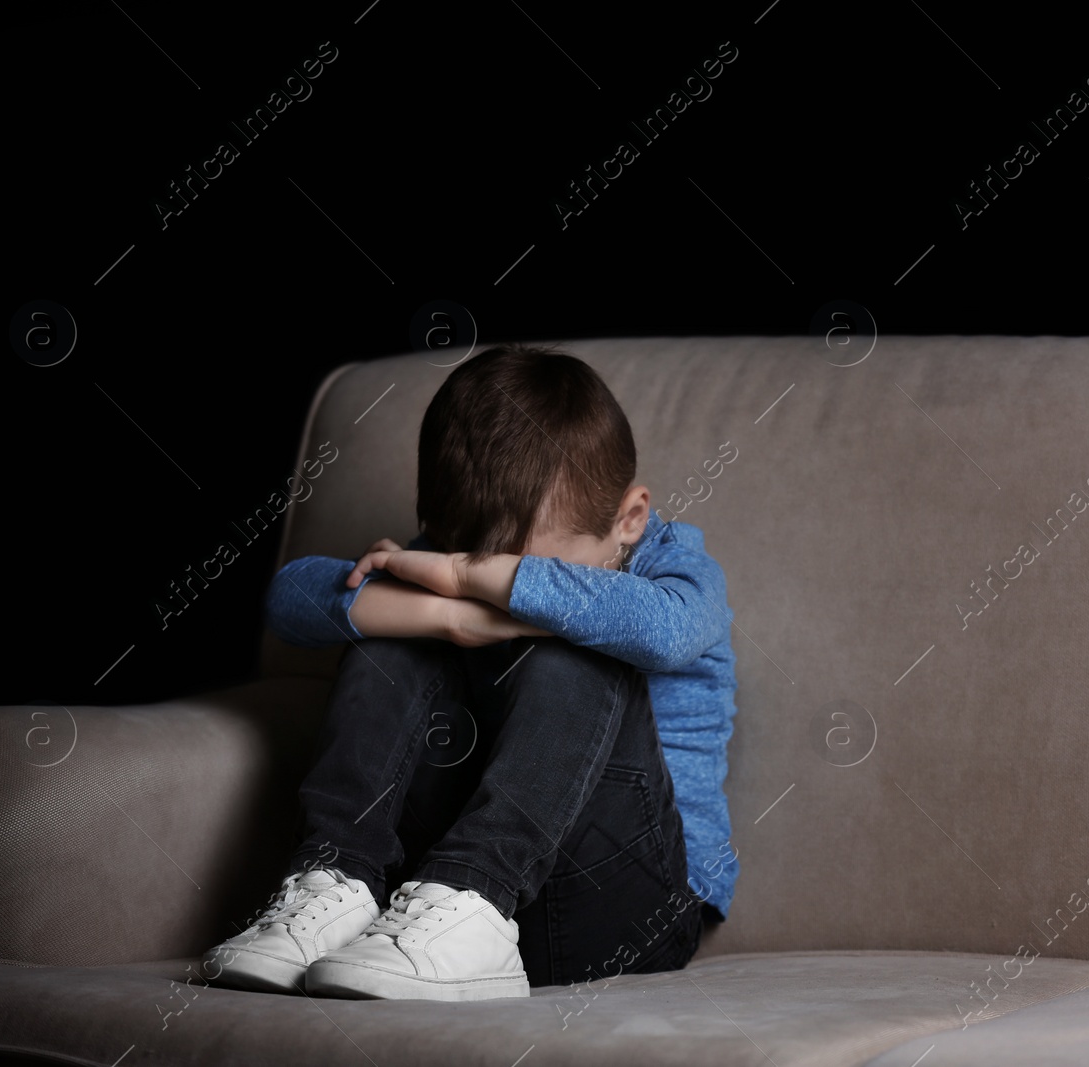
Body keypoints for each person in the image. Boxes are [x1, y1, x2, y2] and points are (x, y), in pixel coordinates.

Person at [203, 343, 739, 1001]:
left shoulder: (670, 566)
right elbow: (290, 597)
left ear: (629, 517)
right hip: (418, 921)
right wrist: (449, 616)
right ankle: (334, 881)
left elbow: (668, 629)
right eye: (472, 559)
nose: (489, 586)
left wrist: (468, 578)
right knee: (394, 633)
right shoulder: (451, 543)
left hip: (628, 904)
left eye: (519, 571)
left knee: (583, 634)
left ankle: (477, 886)